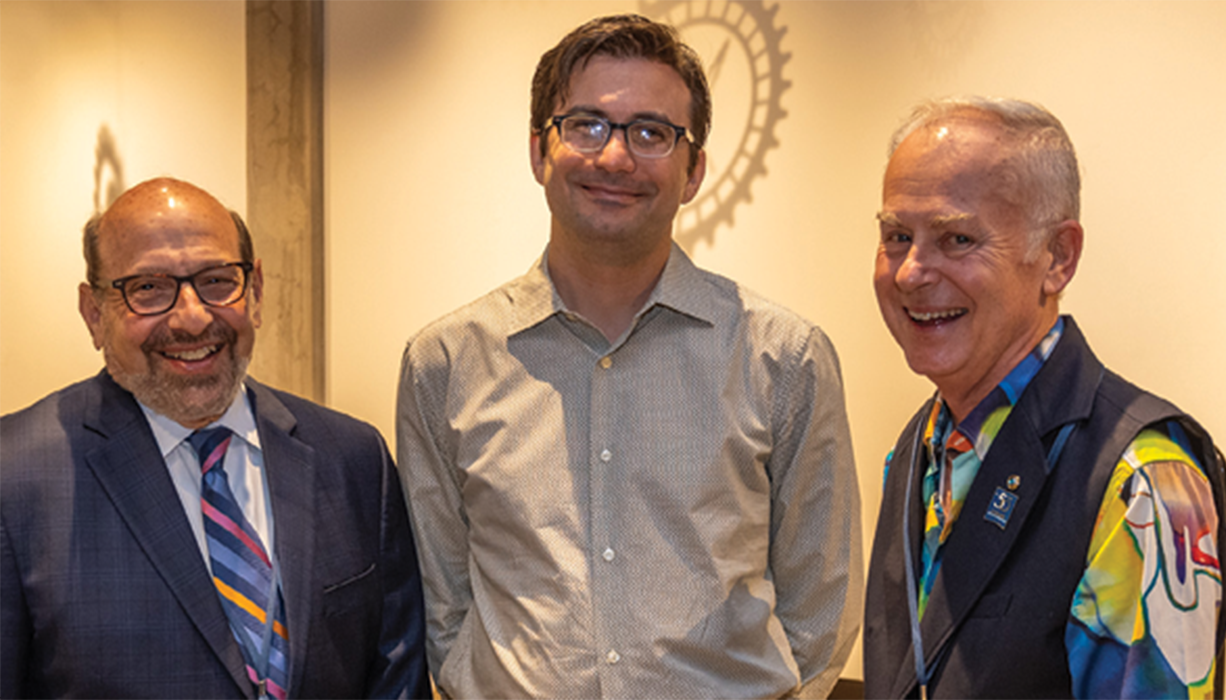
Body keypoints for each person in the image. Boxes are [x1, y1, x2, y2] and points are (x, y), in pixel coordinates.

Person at [396, 14, 861, 699]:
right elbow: (443, 599)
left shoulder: (784, 359)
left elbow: (820, 606)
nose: (615, 157)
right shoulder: (444, 363)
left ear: (693, 168)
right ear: (538, 152)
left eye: (652, 133)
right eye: (586, 124)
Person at [0, 177, 427, 699]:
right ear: (95, 313)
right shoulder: (14, 479)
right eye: (148, 288)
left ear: (257, 291)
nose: (193, 317)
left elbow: (395, 680)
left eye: (218, 280)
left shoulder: (355, 460)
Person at [862, 97, 1226, 699]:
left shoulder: (1141, 482)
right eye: (897, 236)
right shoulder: (918, 450)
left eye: (957, 239)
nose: (910, 273)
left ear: (1058, 257)